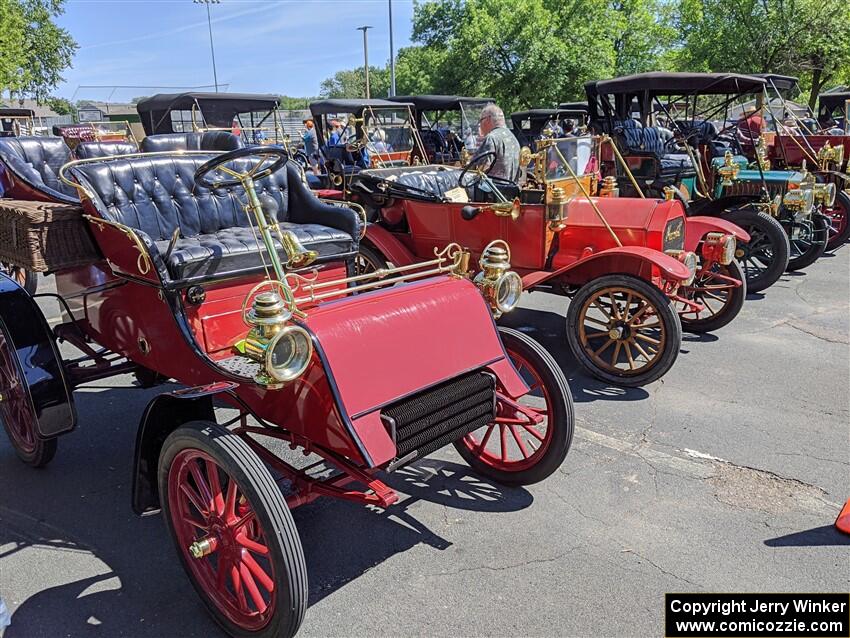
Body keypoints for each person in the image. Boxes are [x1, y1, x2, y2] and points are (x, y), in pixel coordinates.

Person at [474, 104, 521, 181]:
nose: (480, 125)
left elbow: (481, 168)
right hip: (510, 190)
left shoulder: (492, 138)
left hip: (493, 190)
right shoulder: (513, 138)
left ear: (487, 120)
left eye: (481, 120)